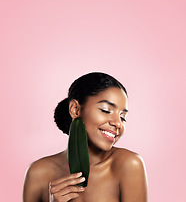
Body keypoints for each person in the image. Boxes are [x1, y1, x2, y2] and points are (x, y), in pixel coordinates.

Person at [23, 72, 148, 202]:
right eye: (106, 110)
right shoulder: (38, 173)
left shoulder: (128, 165)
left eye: (123, 117)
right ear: (75, 109)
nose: (117, 123)